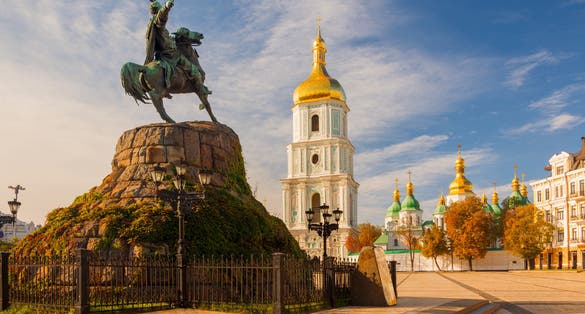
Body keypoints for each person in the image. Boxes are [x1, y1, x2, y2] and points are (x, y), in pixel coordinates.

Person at [145, 0, 203, 90]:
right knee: (194, 70)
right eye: (160, 8)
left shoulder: (154, 24)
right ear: (158, 11)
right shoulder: (158, 21)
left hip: (164, 53)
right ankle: (200, 88)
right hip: (172, 55)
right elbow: (162, 16)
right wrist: (166, 7)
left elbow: (164, 39)